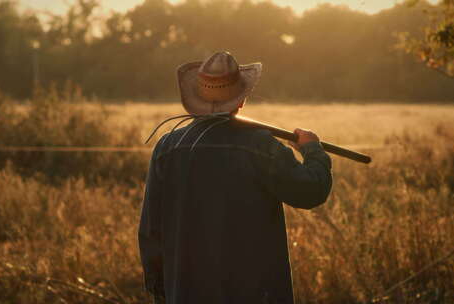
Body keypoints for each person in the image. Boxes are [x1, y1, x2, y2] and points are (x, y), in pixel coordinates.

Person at [138, 51, 332, 304]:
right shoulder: (260, 146)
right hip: (255, 292)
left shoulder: (167, 147)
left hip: (185, 292)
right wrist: (312, 149)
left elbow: (151, 230)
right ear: (241, 101)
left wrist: (161, 290)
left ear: (195, 98)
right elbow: (311, 191)